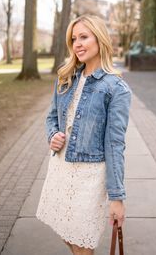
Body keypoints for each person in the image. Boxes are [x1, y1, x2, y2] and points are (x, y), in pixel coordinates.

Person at [36, 14, 131, 255]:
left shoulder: (115, 88)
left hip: (90, 176)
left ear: (99, 39)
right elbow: (51, 118)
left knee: (81, 244)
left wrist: (116, 197)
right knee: (66, 233)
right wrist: (53, 135)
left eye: (84, 37)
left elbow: (115, 145)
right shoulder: (65, 77)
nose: (77, 43)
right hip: (60, 168)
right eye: (74, 38)